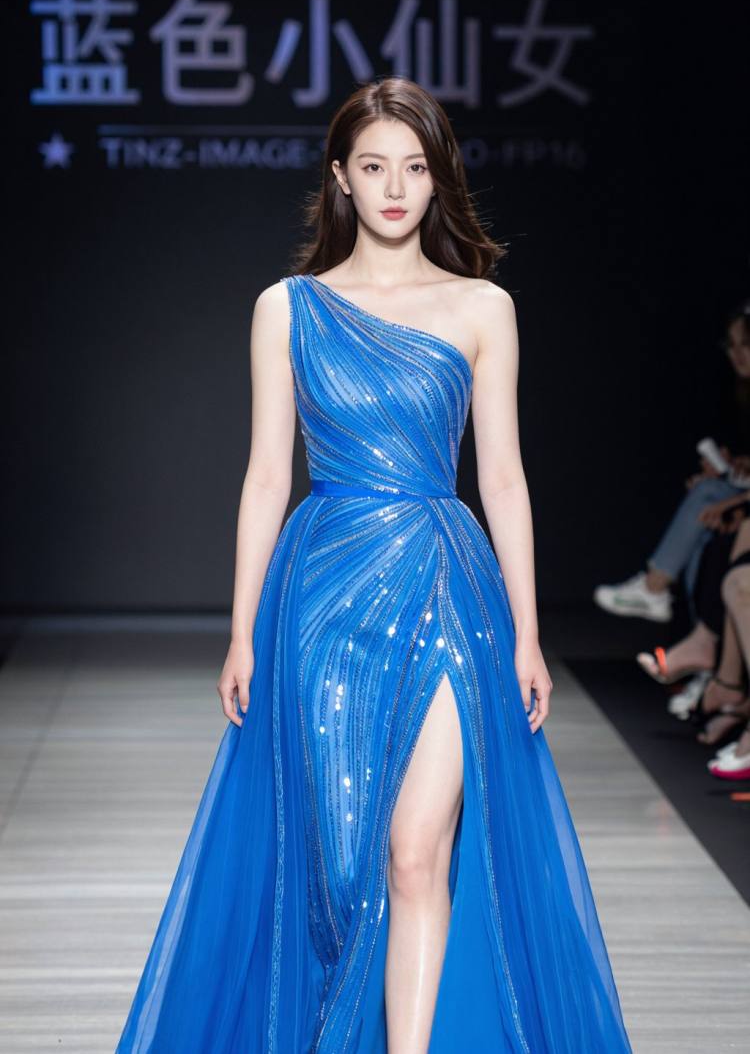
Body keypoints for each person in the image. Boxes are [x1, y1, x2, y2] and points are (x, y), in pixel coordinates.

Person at [115, 76, 632, 1052]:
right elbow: (266, 476)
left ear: (439, 179)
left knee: (413, 850)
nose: (396, 188)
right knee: (336, 864)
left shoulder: (483, 307)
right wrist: (241, 631)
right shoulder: (288, 308)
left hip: (447, 585)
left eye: (415, 167)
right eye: (374, 166)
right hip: (321, 597)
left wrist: (527, 632)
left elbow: (504, 478)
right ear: (341, 178)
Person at [594, 301, 750, 629]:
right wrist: (730, 471)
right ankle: (702, 645)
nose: (737, 354)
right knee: (704, 529)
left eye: (746, 344)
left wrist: (729, 502)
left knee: (706, 501)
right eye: (732, 345)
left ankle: (655, 589)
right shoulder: (738, 396)